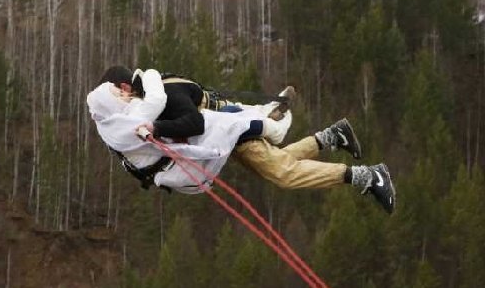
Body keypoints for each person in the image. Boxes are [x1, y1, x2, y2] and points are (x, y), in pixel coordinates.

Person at [88, 66, 396, 213]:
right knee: (280, 162)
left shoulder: (164, 94)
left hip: (230, 130)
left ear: (126, 86)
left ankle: (367, 176)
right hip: (223, 136)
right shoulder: (148, 99)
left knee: (283, 174)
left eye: (117, 95)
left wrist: (157, 130)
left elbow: (193, 122)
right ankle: (332, 136)